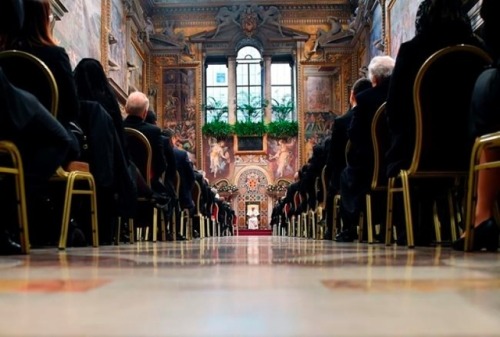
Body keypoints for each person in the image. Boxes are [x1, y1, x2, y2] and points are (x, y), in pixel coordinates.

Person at [384, 0, 484, 245]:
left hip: (422, 148)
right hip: (474, 149)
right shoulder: (479, 49)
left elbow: (394, 108)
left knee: (401, 149)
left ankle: (415, 231)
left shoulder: (411, 51)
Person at [0, 68, 73, 254]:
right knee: (60, 139)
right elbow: (71, 107)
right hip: (17, 118)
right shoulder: (55, 56)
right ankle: (13, 205)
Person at [3, 0, 81, 165]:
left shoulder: (5, 55)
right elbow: (72, 109)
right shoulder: (56, 56)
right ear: (46, 19)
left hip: (7, 132)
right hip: (44, 140)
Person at [452, 0, 500, 252]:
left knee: (486, 89)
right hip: (461, 146)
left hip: (432, 150)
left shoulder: (410, 53)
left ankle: (482, 214)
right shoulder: (476, 49)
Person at [335, 55, 395, 242]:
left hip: (371, 167)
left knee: (347, 175)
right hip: (399, 161)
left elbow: (354, 135)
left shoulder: (365, 99)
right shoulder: (403, 94)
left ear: (374, 79)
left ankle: (352, 226)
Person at [324, 77, 372, 238]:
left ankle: (336, 228)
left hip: (354, 175)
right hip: (382, 171)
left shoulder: (343, 121)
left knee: (337, 180)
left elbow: (334, 158)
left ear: (352, 95)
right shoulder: (384, 110)